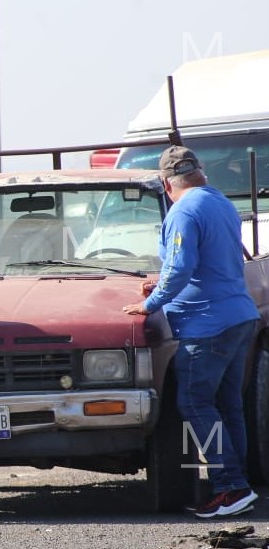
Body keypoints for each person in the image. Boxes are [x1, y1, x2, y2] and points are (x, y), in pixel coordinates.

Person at [123, 145, 260, 518]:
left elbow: (182, 267)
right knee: (228, 404)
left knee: (195, 403)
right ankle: (240, 483)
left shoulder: (183, 210)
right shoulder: (219, 202)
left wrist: (150, 304)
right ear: (201, 173)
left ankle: (230, 487)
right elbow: (204, 262)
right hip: (239, 316)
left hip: (207, 325)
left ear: (167, 184)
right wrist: (163, 281)